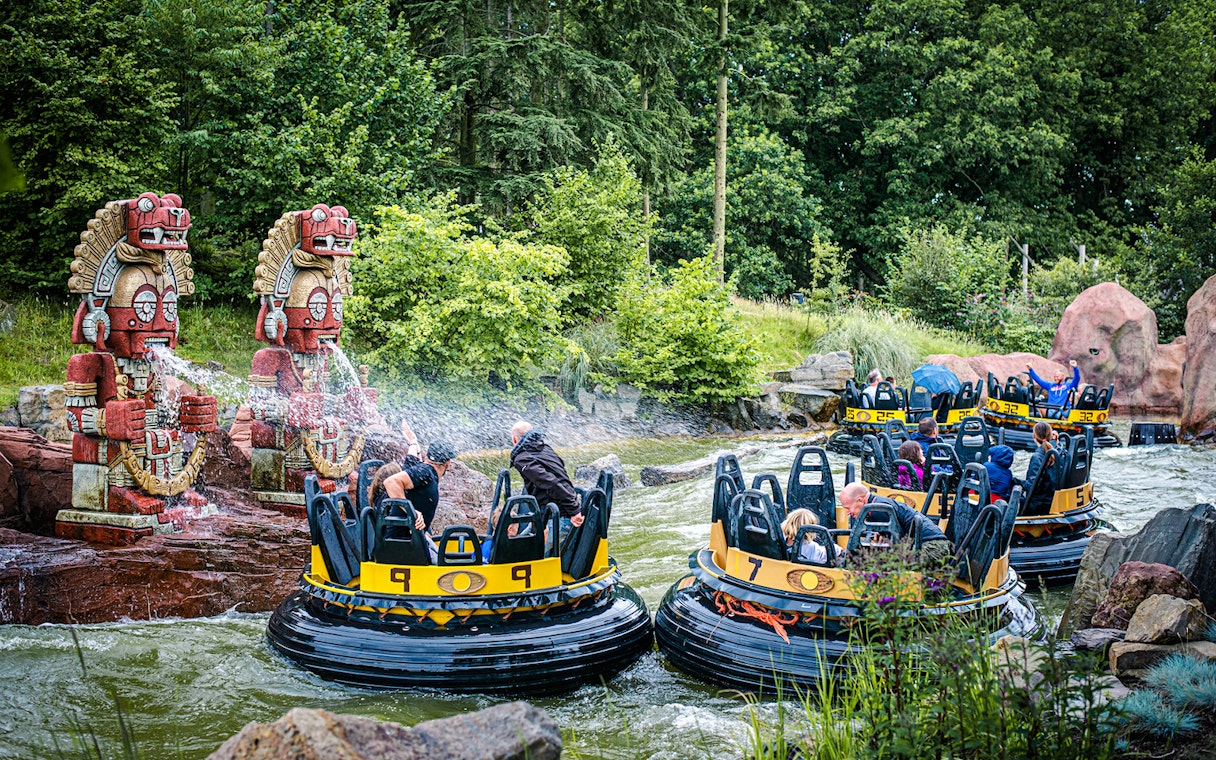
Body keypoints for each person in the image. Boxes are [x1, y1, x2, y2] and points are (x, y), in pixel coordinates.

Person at [838, 482, 952, 568]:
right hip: (926, 545)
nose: (847, 513)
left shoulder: (878, 509)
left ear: (860, 500)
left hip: (934, 547)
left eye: (848, 508)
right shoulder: (877, 504)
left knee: (889, 564)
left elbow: (898, 545)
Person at [510, 421, 583, 545]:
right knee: (517, 547)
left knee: (526, 556)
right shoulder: (545, 448)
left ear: (515, 440)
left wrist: (574, 511)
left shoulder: (522, 458)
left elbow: (552, 483)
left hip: (557, 517)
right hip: (547, 515)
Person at [378, 420, 458, 533]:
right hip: (404, 542)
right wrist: (411, 511)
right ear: (448, 463)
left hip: (400, 538)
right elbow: (390, 482)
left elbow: (412, 459)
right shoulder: (426, 472)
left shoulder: (421, 471)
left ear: (426, 456)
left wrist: (413, 442)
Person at [1018, 422, 1062, 516]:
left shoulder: (1037, 457)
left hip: (1039, 505)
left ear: (1034, 436)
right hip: (1053, 501)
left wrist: (1014, 481)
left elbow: (1032, 487)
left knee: (1006, 496)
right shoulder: (1060, 453)